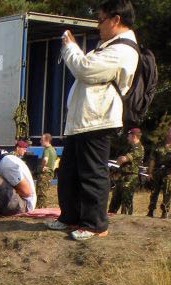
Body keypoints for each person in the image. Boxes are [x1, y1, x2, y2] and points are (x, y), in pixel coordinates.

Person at [48, 0, 139, 241]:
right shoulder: (108, 46)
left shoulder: (124, 49)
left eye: (100, 19)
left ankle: (95, 223)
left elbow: (85, 69)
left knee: (92, 173)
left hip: (98, 119)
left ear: (116, 19)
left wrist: (70, 47)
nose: (98, 25)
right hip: (83, 119)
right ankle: (70, 217)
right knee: (70, 173)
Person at [146, 125, 171, 217]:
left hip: (169, 173)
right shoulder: (158, 145)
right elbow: (152, 159)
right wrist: (149, 172)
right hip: (157, 171)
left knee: (167, 192)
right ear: (168, 133)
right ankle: (151, 211)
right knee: (154, 192)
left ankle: (165, 212)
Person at [107, 127, 144, 214]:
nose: (127, 137)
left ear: (134, 136)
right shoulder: (131, 147)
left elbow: (123, 159)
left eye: (129, 135)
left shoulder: (138, 148)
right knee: (114, 201)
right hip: (122, 176)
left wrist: (121, 159)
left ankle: (126, 222)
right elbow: (120, 159)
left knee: (126, 203)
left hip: (130, 177)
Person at [36, 133, 59, 208]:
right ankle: (43, 207)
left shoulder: (47, 150)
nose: (40, 141)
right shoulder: (53, 150)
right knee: (44, 191)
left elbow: (45, 159)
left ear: (47, 140)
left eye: (42, 140)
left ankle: (41, 208)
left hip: (45, 174)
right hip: (50, 173)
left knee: (41, 192)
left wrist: (43, 166)